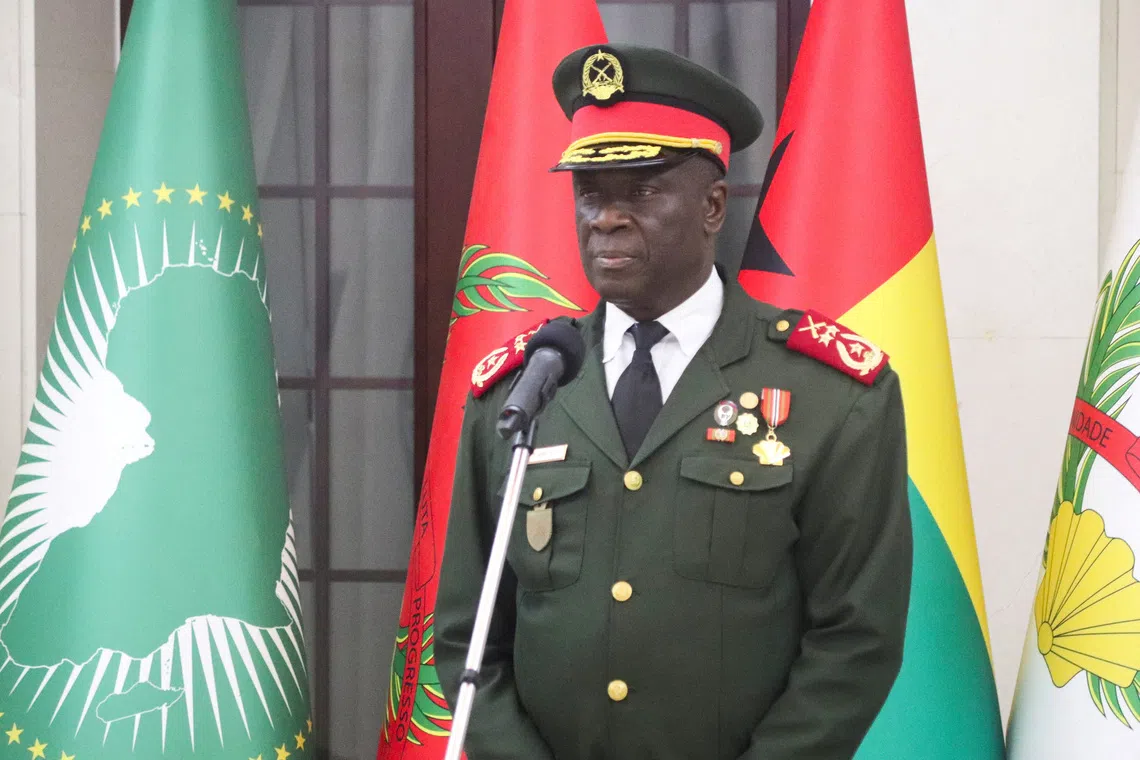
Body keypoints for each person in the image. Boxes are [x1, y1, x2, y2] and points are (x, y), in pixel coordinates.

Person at [434, 43, 913, 760]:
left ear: (714, 205)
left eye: (644, 191)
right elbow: (467, 636)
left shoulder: (831, 395)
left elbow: (855, 639)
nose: (606, 218)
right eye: (590, 193)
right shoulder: (524, 387)